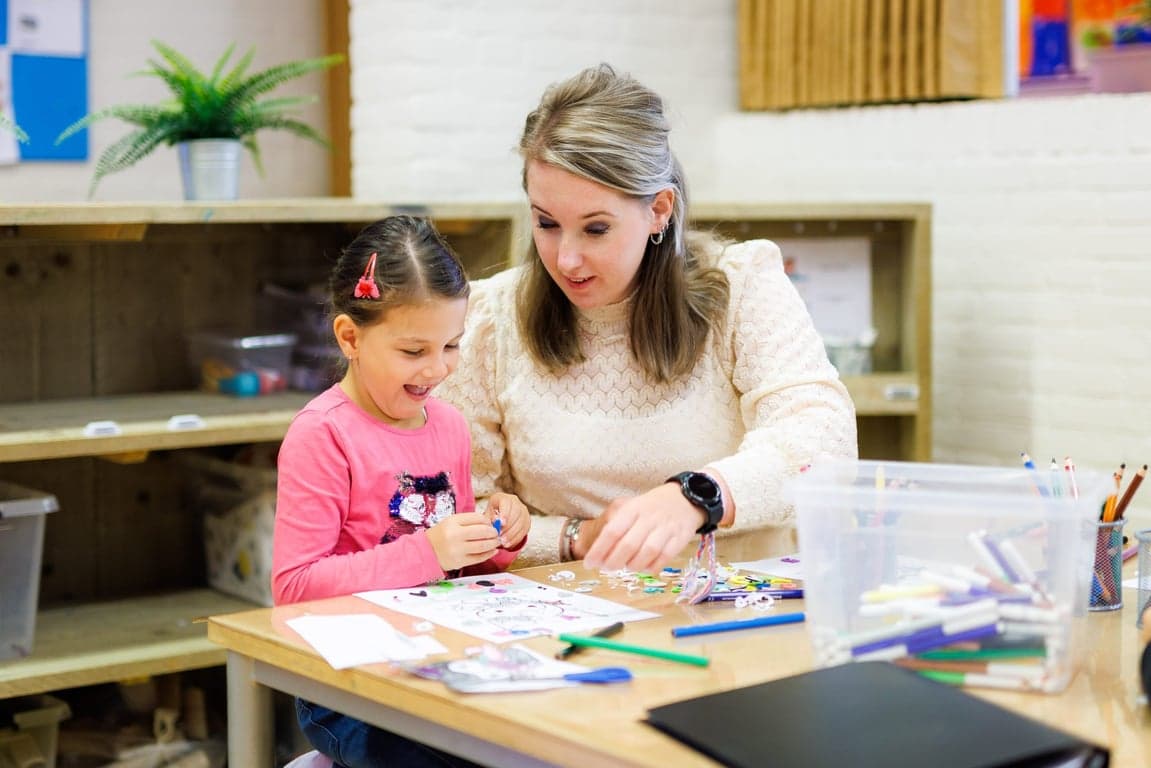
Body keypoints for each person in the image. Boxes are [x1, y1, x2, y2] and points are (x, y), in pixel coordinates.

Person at [437, 64, 857, 574]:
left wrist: (698, 496)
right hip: (571, 613)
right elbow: (461, 511)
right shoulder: (490, 319)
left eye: (595, 229)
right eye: (546, 223)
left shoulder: (743, 285)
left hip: (742, 600)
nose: (566, 259)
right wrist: (576, 536)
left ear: (659, 210)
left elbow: (823, 443)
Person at [272, 215, 529, 768]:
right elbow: (294, 588)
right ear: (350, 337)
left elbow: (456, 571)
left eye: (451, 345)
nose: (437, 369)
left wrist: (497, 537)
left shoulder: (449, 427)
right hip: (348, 690)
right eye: (414, 352)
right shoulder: (322, 435)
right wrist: (429, 551)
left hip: (440, 661)